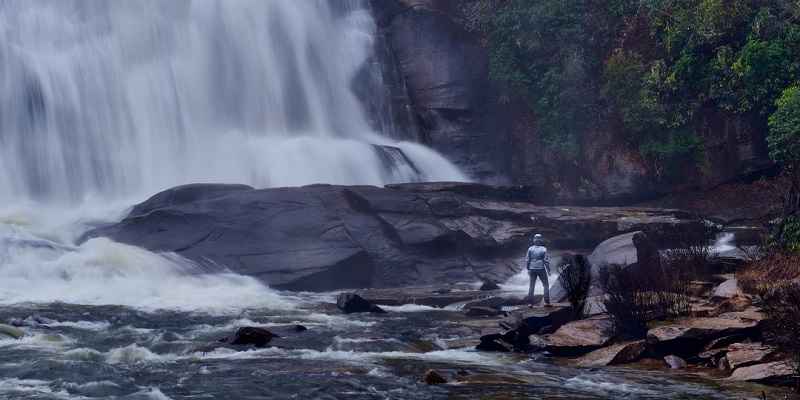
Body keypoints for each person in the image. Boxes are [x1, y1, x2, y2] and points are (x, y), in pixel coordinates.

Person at [524, 233, 552, 308]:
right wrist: (548, 270)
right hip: (541, 269)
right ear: (541, 241)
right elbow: (546, 261)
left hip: (532, 269)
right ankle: (546, 302)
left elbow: (527, 260)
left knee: (531, 286)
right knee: (545, 285)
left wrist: (528, 268)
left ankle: (530, 303)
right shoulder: (544, 249)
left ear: (534, 240)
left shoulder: (530, 249)